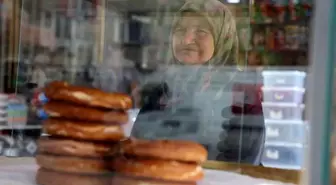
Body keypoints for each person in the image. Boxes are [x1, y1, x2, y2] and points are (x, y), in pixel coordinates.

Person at [131, 0, 265, 165]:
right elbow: (137, 143)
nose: (186, 40)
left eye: (201, 32)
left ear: (222, 38)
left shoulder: (241, 90)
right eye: (180, 31)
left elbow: (243, 161)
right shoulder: (163, 86)